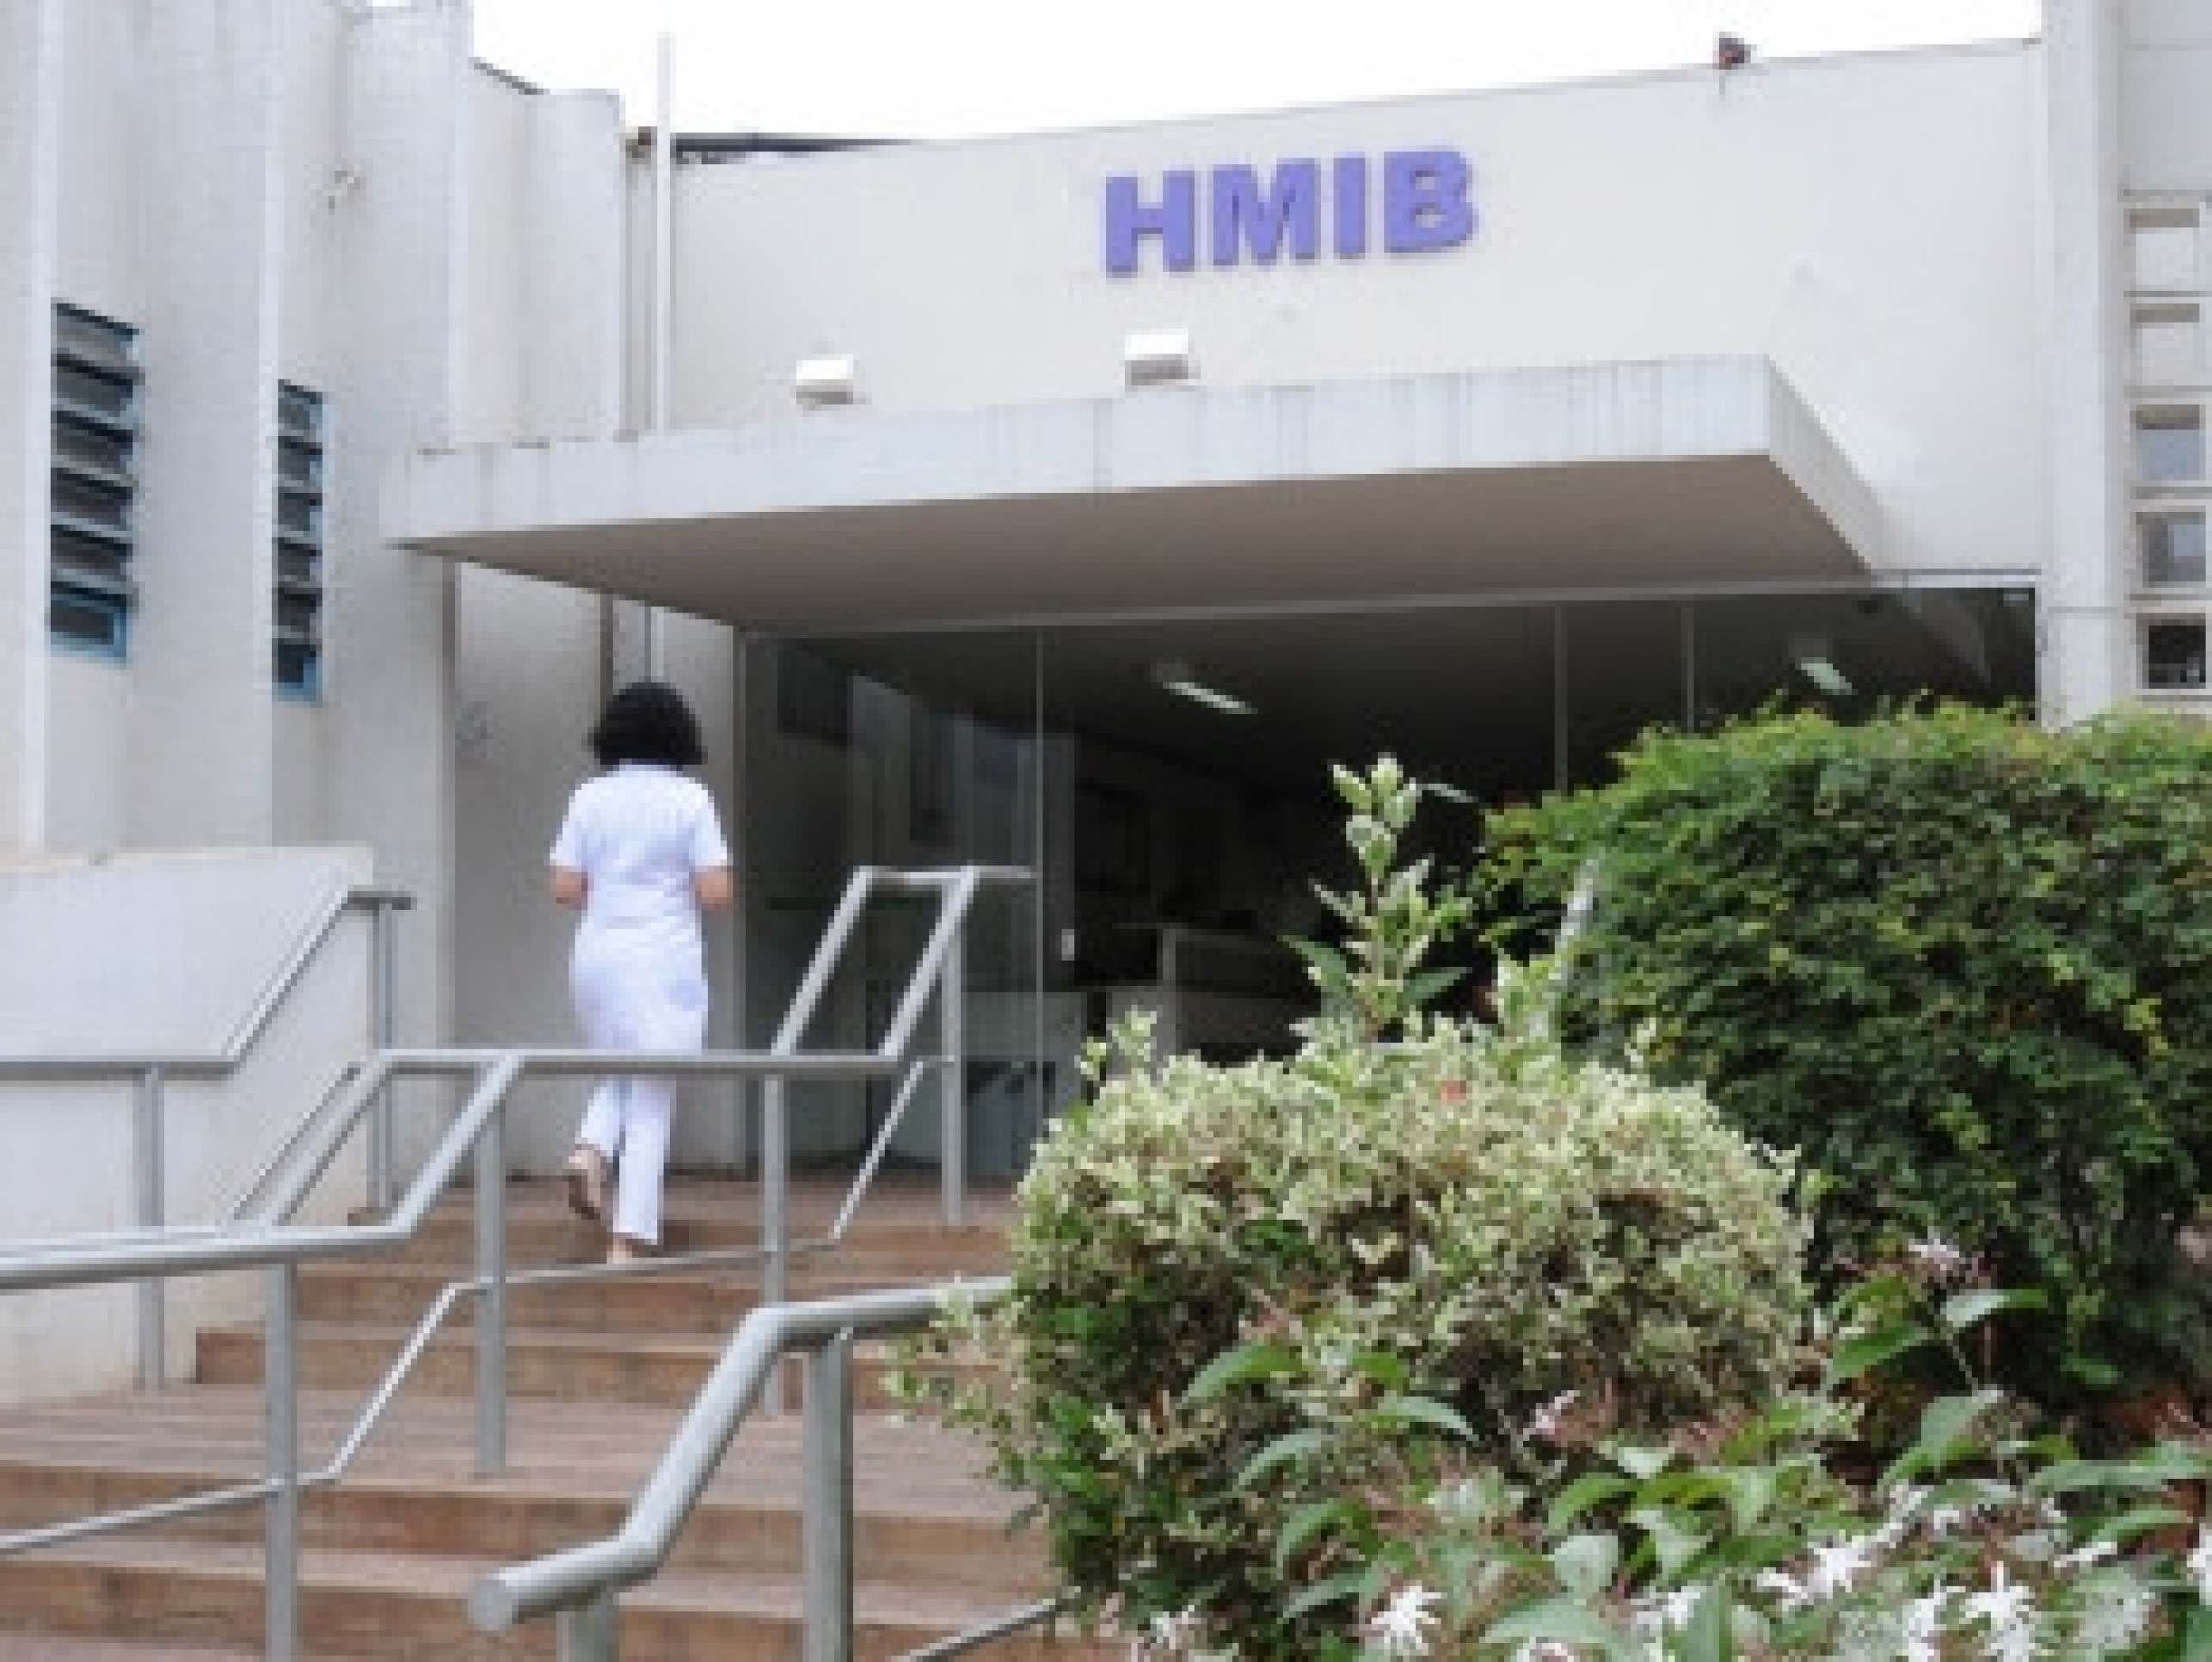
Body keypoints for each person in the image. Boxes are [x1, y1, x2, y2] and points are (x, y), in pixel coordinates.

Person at [548, 681, 733, 1262]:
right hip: (664, 957)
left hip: (598, 954)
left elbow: (564, 887)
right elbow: (715, 891)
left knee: (617, 1071)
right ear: (679, 734)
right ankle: (627, 1237)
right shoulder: (690, 800)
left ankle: (591, 1149)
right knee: (653, 1091)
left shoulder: (588, 797)